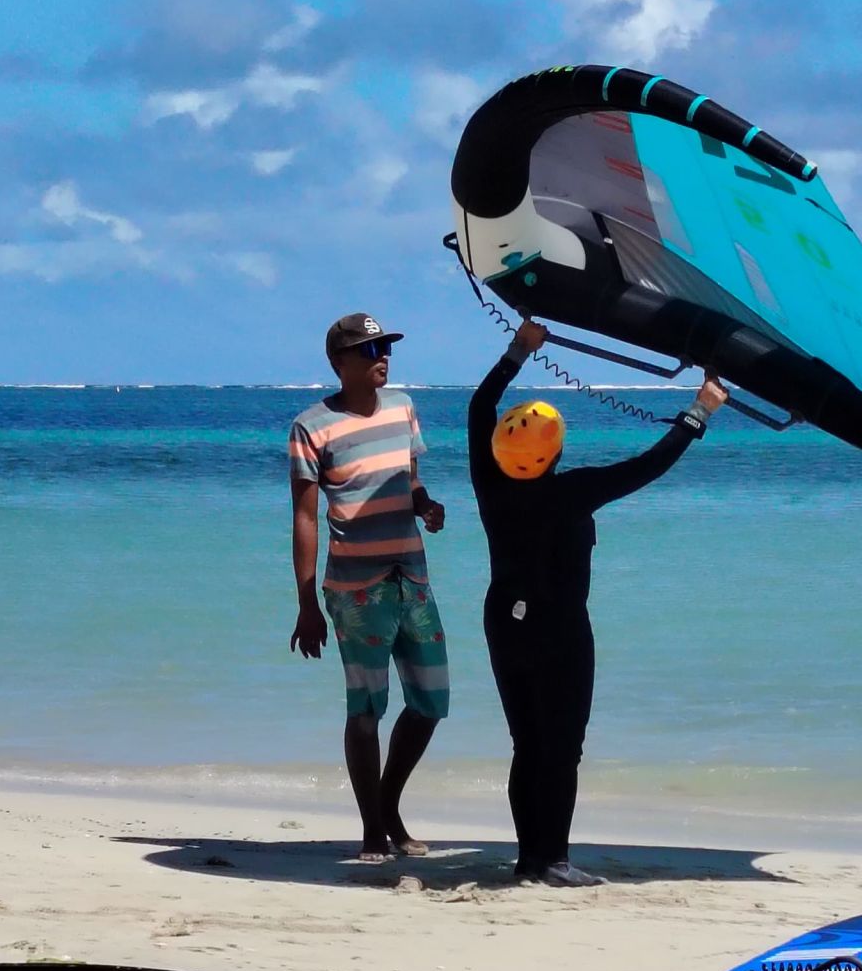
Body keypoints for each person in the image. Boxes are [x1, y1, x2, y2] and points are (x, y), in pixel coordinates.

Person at [469, 319, 726, 886]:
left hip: (505, 623)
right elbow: (648, 466)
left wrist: (518, 351)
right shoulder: (571, 491)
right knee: (562, 749)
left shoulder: (489, 480)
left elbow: (479, 407)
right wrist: (701, 409)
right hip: (559, 630)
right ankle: (554, 861)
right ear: (554, 452)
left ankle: (530, 859)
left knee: (527, 744)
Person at [288, 311, 449, 861]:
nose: (383, 357)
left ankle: (388, 805)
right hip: (355, 588)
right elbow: (305, 518)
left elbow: (410, 479)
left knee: (430, 701)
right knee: (365, 708)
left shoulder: (403, 407)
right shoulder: (312, 426)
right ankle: (373, 828)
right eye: (370, 350)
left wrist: (424, 505)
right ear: (340, 362)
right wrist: (307, 604)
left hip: (412, 576)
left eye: (386, 348)